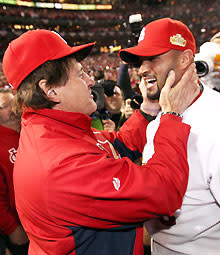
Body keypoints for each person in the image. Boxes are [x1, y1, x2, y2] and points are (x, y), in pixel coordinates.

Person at [3, 29, 199, 255]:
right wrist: (172, 114)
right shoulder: (59, 165)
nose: (90, 81)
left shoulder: (54, 129)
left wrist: (148, 109)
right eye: (80, 74)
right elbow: (164, 192)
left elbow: (116, 146)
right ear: (50, 90)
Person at [119, 17, 220, 255]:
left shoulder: (216, 119)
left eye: (153, 58)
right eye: (141, 61)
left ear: (185, 59)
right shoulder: (162, 119)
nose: (142, 69)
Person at [0, 88, 29, 255]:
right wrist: (11, 228)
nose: (13, 110)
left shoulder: (29, 130)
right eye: (5, 106)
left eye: (14, 104)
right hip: (18, 226)